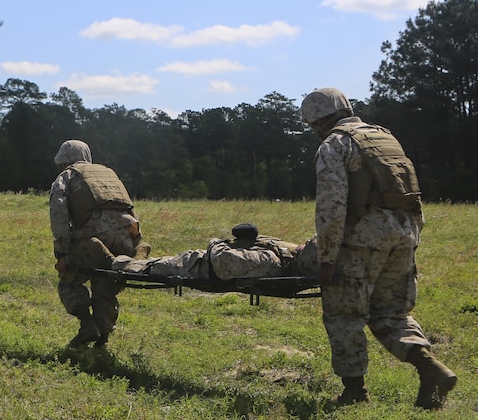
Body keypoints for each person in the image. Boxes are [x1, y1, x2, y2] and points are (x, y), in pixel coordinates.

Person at [300, 87, 456, 409]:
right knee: (391, 312)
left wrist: (327, 259)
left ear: (315, 121)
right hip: (403, 236)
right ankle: (430, 368)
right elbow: (411, 190)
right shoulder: (384, 137)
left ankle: (354, 393)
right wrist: (413, 240)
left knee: (345, 314)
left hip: (359, 243)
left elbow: (332, 205)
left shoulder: (334, 144)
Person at [49, 139, 148, 348]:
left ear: (64, 160)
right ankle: (103, 338)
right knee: (106, 282)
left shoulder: (67, 176)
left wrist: (62, 254)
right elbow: (129, 210)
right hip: (124, 240)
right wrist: (134, 242)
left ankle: (87, 325)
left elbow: (59, 215)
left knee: (69, 280)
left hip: (92, 238)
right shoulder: (108, 174)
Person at [111, 223, 319, 281]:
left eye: (308, 245)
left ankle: (111, 260)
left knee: (149, 268)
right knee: (157, 262)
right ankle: (139, 257)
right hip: (199, 261)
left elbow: (222, 261)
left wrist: (216, 242)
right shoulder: (286, 256)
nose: (305, 241)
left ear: (306, 257)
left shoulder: (270, 262)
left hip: (197, 267)